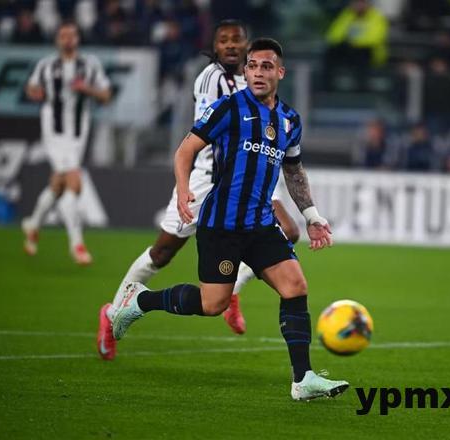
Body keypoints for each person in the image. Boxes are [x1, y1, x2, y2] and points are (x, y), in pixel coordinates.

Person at [111, 38, 349, 400]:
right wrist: (183, 189)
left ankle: (303, 379)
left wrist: (312, 215)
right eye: (252, 66)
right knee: (213, 305)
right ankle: (140, 301)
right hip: (221, 225)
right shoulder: (229, 108)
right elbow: (185, 150)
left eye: (266, 66)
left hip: (260, 224)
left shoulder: (289, 120)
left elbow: (294, 171)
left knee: (295, 286)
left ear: (280, 73)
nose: (257, 72)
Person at [96, 21, 300, 360]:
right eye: (224, 40)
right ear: (214, 47)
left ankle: (232, 289)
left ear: (247, 45)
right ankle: (114, 311)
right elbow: (208, 133)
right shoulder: (210, 78)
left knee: (289, 231)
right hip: (208, 179)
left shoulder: (253, 77)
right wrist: (183, 186)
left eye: (237, 40)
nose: (231, 45)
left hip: (246, 178)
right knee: (163, 252)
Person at [22, 21, 111, 265]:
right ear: (57, 40)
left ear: (78, 38)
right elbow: (31, 88)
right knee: (74, 180)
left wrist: (86, 88)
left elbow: (106, 95)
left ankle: (33, 224)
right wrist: (34, 93)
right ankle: (77, 244)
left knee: (59, 183)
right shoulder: (46, 65)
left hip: (78, 133)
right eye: (63, 35)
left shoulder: (89, 65)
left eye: (72, 35)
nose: (68, 39)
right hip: (54, 131)